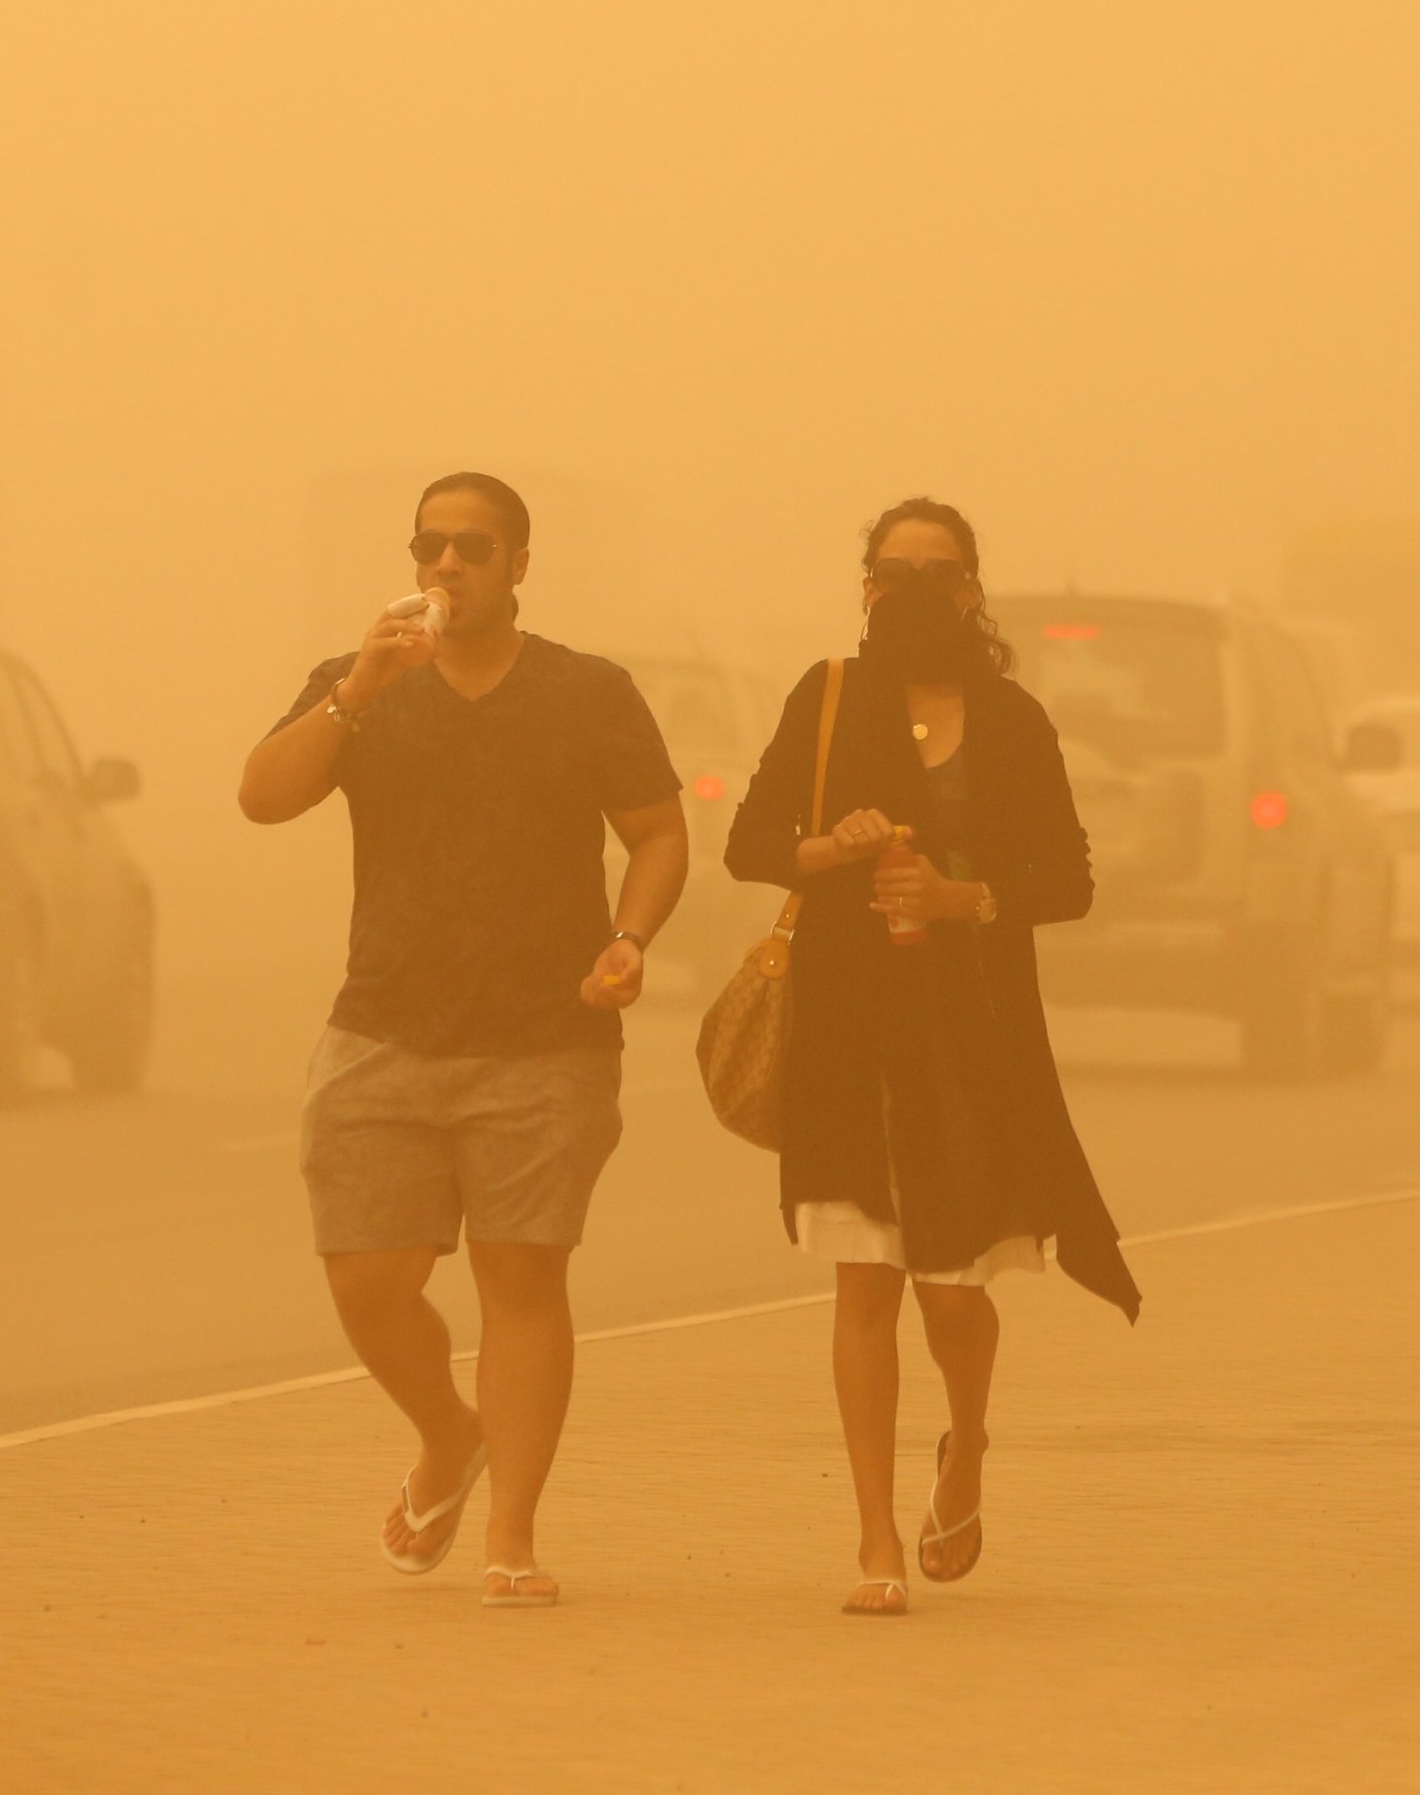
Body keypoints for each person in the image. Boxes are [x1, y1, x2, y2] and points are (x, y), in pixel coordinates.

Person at [239, 471, 689, 1609]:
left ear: (518, 566)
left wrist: (630, 938)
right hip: (382, 1023)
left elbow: (655, 831)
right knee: (366, 1276)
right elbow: (261, 796)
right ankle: (449, 1434)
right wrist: (354, 689)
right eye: (430, 544)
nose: (446, 565)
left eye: (472, 547)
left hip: (546, 1035)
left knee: (521, 1273)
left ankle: (512, 1537)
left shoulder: (586, 690)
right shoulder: (363, 680)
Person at [724, 496, 1140, 1616]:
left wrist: (964, 897)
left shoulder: (1011, 720)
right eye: (889, 567)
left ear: (969, 588)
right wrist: (827, 848)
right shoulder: (824, 699)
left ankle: (964, 1448)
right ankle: (872, 1539)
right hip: (846, 1037)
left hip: (972, 1039)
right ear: (864, 583)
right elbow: (749, 841)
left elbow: (1070, 878)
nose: (909, 587)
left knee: (952, 1295)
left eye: (936, 569)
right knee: (864, 1282)